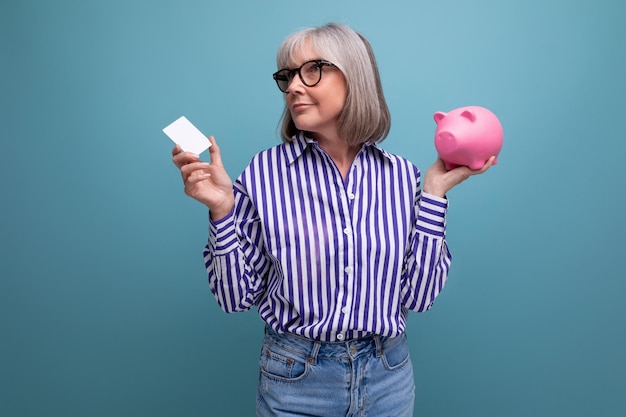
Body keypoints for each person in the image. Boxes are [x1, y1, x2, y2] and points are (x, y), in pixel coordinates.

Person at [172, 22, 494, 417]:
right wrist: (222, 210)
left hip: (387, 378)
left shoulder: (402, 177)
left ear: (354, 75)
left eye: (312, 70)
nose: (293, 86)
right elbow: (234, 299)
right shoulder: (264, 175)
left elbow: (420, 298)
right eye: (287, 76)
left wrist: (433, 195)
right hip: (295, 380)